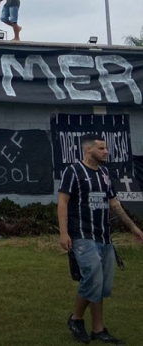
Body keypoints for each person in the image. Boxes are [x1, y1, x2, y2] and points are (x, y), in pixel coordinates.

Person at [58, 133, 143, 344]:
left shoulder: (105, 173)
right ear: (89, 149)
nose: (106, 152)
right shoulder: (73, 171)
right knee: (93, 278)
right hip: (82, 235)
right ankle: (76, 319)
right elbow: (63, 202)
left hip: (104, 237)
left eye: (106, 149)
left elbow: (114, 204)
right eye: (102, 148)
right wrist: (63, 232)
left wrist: (133, 228)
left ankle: (98, 329)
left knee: (102, 286)